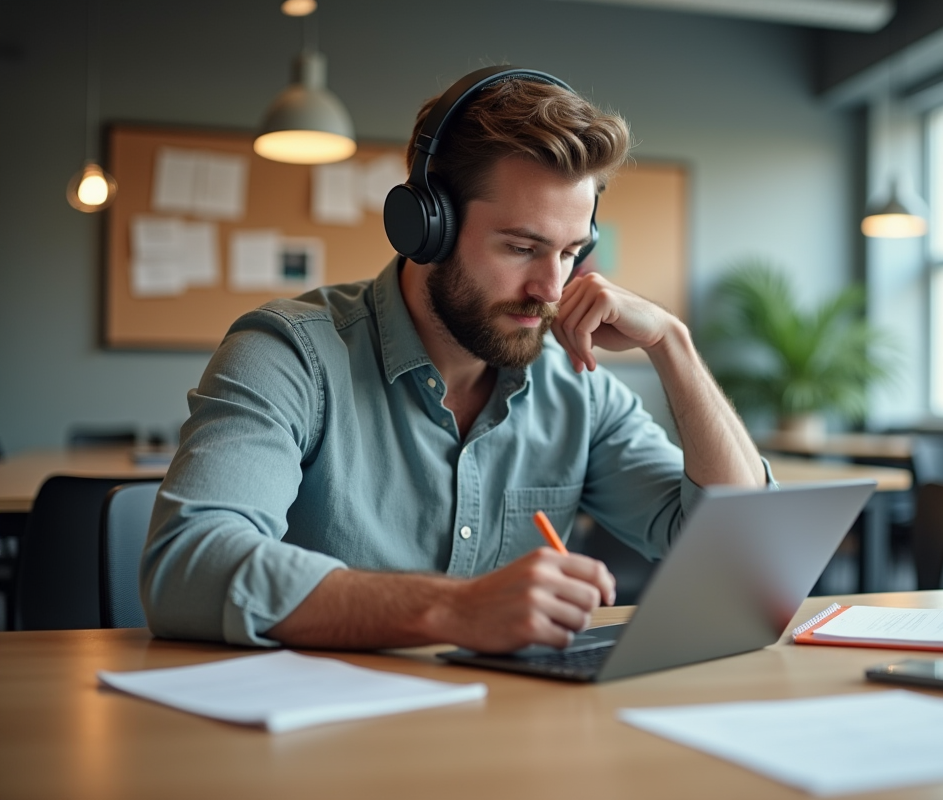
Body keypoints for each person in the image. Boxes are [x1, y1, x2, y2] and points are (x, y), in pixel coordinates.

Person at [141, 68, 769, 653]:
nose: (552, 289)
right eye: (521, 248)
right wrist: (453, 608)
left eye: (571, 252)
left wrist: (673, 345)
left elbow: (742, 555)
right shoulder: (290, 356)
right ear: (427, 228)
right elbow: (188, 566)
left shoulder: (578, 389)